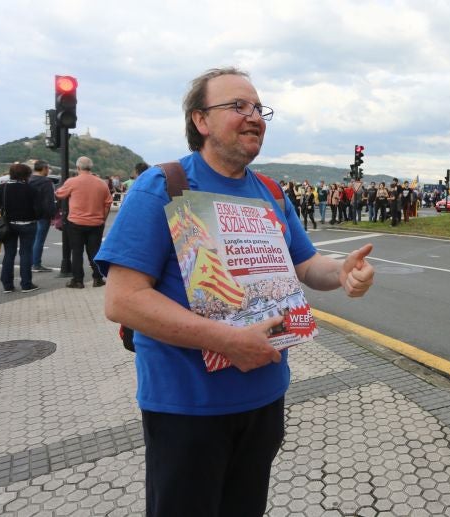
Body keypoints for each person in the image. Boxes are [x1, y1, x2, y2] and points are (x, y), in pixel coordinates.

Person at [94, 67, 375, 517]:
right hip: (187, 408)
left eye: (258, 108)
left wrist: (342, 273)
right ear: (200, 120)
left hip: (265, 397)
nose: (253, 116)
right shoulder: (163, 186)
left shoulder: (269, 192)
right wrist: (223, 340)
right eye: (237, 106)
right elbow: (122, 300)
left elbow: (305, 264)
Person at [55, 156, 112, 289]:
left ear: (78, 167)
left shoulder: (72, 181)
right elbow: (108, 203)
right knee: (94, 252)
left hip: (76, 223)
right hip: (96, 223)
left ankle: (78, 280)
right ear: (91, 167)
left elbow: (59, 194)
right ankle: (98, 279)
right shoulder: (101, 183)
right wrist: (103, 218)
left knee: (77, 252)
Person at [0, 163, 40, 293]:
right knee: (26, 253)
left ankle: (7, 285)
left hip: (8, 225)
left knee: (9, 254)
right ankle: (26, 284)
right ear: (26, 175)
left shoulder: (3, 188)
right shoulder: (31, 189)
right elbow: (40, 209)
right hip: (28, 225)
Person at [29, 160, 58, 272]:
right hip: (42, 215)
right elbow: (49, 201)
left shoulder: (28, 180)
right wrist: (52, 215)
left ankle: (29, 262)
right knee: (39, 240)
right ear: (44, 169)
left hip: (30, 214)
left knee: (31, 240)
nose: (48, 171)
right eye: (48, 168)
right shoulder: (46, 182)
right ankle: (36, 264)